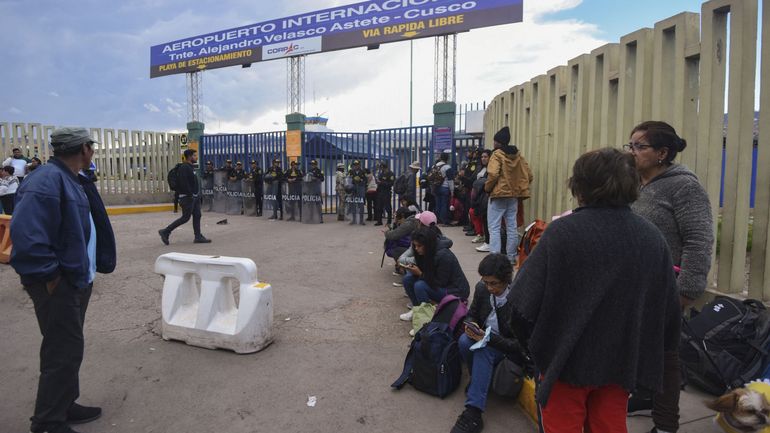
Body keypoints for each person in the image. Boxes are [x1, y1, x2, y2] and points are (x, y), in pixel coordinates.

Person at [508, 148, 681, 433]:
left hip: (565, 364)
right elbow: (668, 316)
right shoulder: (652, 238)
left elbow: (520, 307)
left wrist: (539, 351)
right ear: (633, 184)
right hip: (619, 365)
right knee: (610, 426)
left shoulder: (562, 233)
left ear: (580, 187)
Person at [10, 127, 117, 433]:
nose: (93, 151)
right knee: (61, 350)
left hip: (75, 277)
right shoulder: (46, 180)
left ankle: (64, 404)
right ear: (84, 149)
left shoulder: (74, 178)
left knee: (69, 347)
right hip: (57, 282)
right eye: (91, 147)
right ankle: (47, 422)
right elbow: (27, 237)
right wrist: (52, 278)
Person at [624, 121, 715, 433]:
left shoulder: (684, 187)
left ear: (662, 153)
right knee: (636, 348)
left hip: (666, 288)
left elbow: (699, 240)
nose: (631, 151)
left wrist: (686, 290)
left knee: (665, 357)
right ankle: (644, 396)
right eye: (630, 145)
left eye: (639, 146)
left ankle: (665, 424)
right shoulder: (635, 183)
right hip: (634, 287)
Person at [450, 253, 524, 433]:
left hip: (506, 349)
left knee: (484, 351)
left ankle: (473, 414)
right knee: (463, 341)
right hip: (484, 339)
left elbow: (519, 345)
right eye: (486, 282)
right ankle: (478, 380)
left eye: (494, 284)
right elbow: (472, 313)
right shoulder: (482, 289)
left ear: (506, 280)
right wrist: (471, 324)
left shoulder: (519, 298)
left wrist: (488, 339)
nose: (489, 287)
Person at [399, 225, 469, 321]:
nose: (416, 248)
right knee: (408, 279)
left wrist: (420, 274)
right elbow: (428, 272)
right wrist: (413, 269)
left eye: (419, 246)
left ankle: (427, 319)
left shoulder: (444, 255)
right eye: (414, 245)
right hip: (437, 282)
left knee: (420, 285)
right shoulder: (425, 252)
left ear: (428, 244)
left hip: (455, 290)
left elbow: (440, 282)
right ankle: (418, 310)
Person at [484, 126, 533, 264]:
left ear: (498, 142)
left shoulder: (497, 154)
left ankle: (495, 258)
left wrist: (487, 188)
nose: (493, 144)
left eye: (494, 141)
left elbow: (493, 174)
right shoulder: (518, 155)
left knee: (494, 227)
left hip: (498, 195)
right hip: (513, 196)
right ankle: (511, 257)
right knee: (512, 226)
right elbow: (529, 175)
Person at [158, 149, 211, 244]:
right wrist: (190, 194)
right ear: (190, 157)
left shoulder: (190, 167)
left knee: (197, 215)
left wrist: (196, 194)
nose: (196, 157)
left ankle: (198, 236)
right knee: (185, 217)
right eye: (195, 156)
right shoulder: (184, 168)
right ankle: (165, 231)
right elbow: (184, 183)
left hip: (193, 197)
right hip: (187, 197)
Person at [383, 206, 419, 274]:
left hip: (415, 249)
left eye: (397, 217)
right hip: (413, 246)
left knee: (396, 250)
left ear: (402, 216)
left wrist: (386, 232)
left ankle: (404, 270)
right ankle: (401, 266)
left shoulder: (409, 223)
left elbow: (393, 235)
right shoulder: (411, 220)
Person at [471, 150, 492, 247]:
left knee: (487, 219)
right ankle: (483, 237)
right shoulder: (480, 168)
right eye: (482, 157)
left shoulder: (491, 169)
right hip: (479, 196)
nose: (483, 158)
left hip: (485, 196)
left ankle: (488, 242)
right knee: (482, 217)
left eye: (485, 157)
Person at [430, 150, 454, 225]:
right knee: (444, 204)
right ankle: (444, 220)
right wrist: (452, 190)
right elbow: (450, 180)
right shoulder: (447, 167)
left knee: (437, 204)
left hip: (436, 188)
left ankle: (437, 220)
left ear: (440, 158)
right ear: (447, 159)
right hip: (445, 188)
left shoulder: (434, 166)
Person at [374, 160, 395, 226]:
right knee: (379, 207)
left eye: (382, 168)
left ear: (384, 167)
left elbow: (391, 183)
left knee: (388, 208)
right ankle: (379, 221)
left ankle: (389, 221)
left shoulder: (391, 174)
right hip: (380, 192)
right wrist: (378, 182)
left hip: (386, 192)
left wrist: (382, 183)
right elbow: (379, 180)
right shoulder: (381, 173)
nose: (381, 169)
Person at [348, 160, 367, 225]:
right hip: (353, 190)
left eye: (357, 165)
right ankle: (354, 220)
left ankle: (361, 220)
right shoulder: (351, 172)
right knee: (353, 205)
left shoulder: (363, 172)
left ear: (359, 165)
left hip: (361, 189)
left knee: (361, 205)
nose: (356, 166)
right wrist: (353, 180)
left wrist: (360, 180)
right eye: (355, 165)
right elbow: (349, 180)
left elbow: (366, 181)